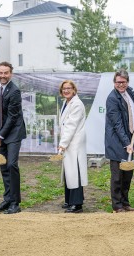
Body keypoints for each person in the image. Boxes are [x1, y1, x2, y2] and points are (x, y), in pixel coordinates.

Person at [0, 61, 27, 214]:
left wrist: (0, 136)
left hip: (13, 133)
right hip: (1, 131)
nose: (3, 76)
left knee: (12, 165)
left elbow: (12, 117)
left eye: (6, 73)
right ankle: (7, 200)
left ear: (11, 74)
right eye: (1, 73)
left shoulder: (14, 91)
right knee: (4, 166)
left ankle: (15, 203)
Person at [105, 69, 134, 213]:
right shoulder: (112, 98)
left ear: (127, 82)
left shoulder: (130, 92)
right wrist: (126, 143)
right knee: (117, 175)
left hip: (129, 139)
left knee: (128, 174)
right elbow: (117, 124)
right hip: (117, 141)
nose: (121, 85)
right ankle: (117, 205)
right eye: (118, 82)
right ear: (114, 83)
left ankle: (125, 203)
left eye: (123, 82)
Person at [58, 80, 88, 213]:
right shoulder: (66, 102)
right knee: (69, 172)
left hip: (74, 142)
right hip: (69, 142)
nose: (66, 90)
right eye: (64, 88)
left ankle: (77, 204)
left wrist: (62, 144)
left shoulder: (76, 104)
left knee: (74, 172)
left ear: (74, 90)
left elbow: (71, 126)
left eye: (69, 88)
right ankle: (70, 199)